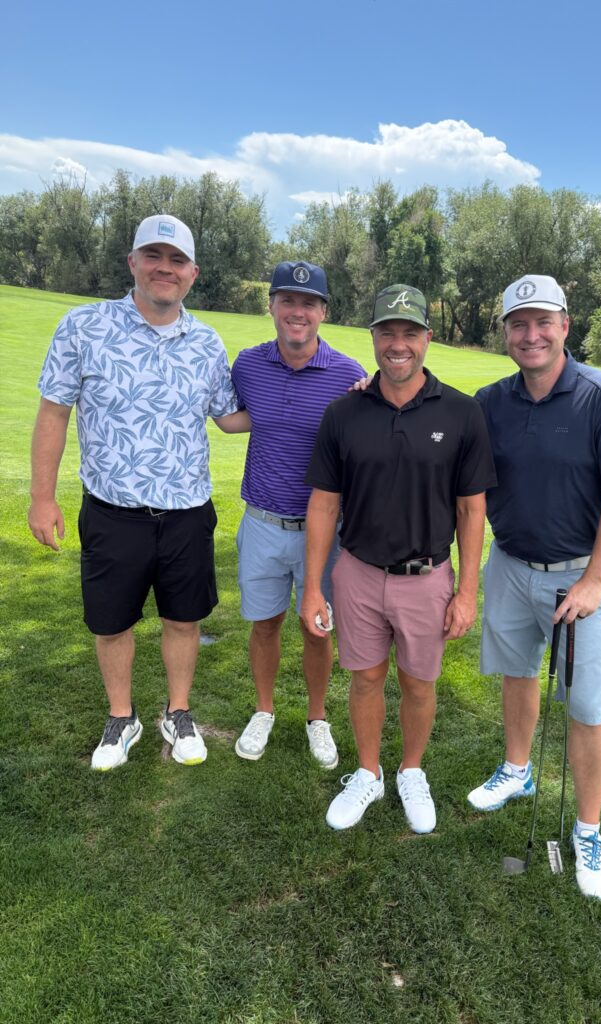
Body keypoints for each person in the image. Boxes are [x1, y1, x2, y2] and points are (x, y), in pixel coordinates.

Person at [28, 214, 248, 771]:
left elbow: (229, 417)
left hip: (187, 512)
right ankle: (121, 717)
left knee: (184, 619)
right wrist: (42, 497)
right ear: (132, 262)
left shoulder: (206, 342)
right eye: (153, 256)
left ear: (193, 273)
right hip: (112, 511)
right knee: (111, 623)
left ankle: (178, 712)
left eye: (177, 260)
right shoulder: (84, 327)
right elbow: (54, 412)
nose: (164, 268)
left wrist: (315, 396)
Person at [467, 273, 601, 899]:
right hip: (509, 564)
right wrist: (369, 387)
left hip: (578, 577)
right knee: (517, 673)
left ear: (565, 326)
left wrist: (595, 580)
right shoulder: (491, 401)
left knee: (586, 706)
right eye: (518, 324)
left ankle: (588, 830)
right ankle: (517, 769)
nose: (531, 335)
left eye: (543, 322)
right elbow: (437, 428)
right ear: (506, 333)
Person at [300, 283, 497, 834]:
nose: (398, 344)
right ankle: (368, 772)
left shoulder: (462, 412)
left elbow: (471, 509)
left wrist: (467, 591)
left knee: (418, 683)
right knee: (365, 679)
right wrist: (313, 586)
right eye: (387, 332)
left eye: (410, 333)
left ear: (427, 338)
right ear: (373, 337)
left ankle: (411, 770)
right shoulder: (345, 412)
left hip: (427, 577)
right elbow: (324, 503)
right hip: (358, 573)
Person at [230, 262, 366, 769]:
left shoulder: (349, 375)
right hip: (262, 522)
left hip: (324, 530)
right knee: (265, 624)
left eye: (309, 303)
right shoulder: (248, 365)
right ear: (271, 305)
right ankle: (263, 710)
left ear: (323, 311)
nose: (297, 311)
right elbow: (231, 416)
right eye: (287, 300)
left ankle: (316, 717)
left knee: (317, 628)